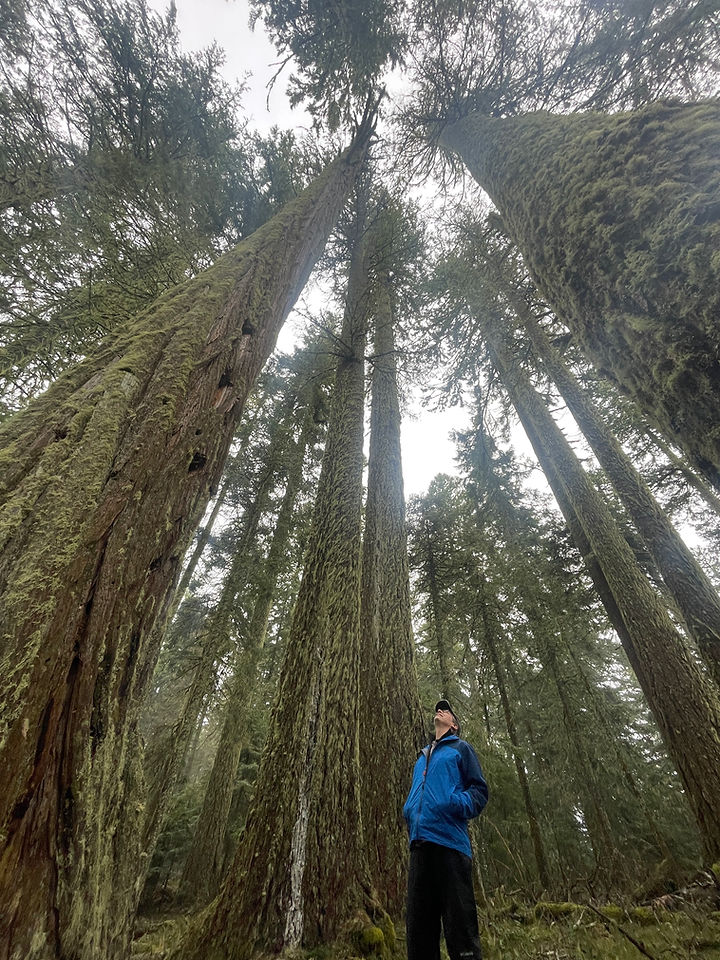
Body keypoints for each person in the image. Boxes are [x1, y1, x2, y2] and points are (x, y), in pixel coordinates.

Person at [403, 699, 489, 960]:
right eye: (439, 709)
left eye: (447, 710)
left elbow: (479, 791)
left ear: (454, 724)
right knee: (419, 934)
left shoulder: (461, 749)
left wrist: (451, 803)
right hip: (420, 846)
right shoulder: (423, 757)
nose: (440, 711)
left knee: (460, 930)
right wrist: (409, 811)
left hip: (450, 846)